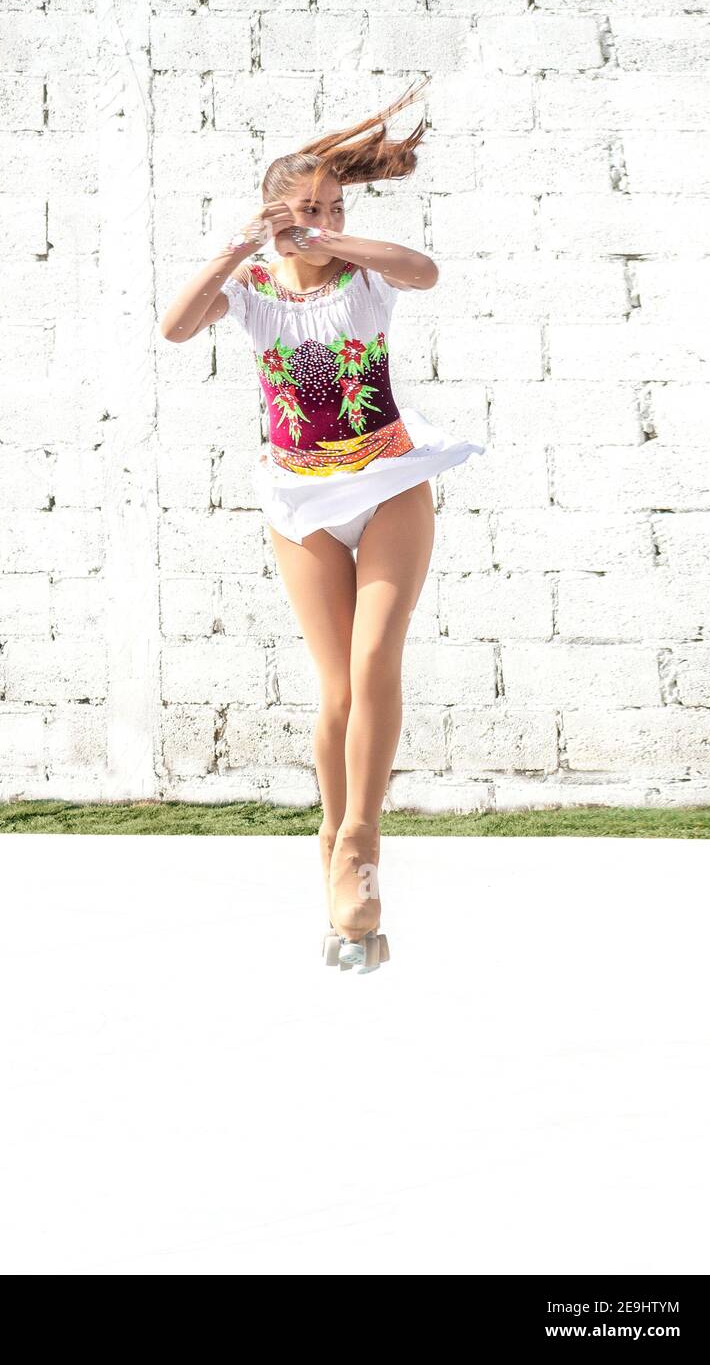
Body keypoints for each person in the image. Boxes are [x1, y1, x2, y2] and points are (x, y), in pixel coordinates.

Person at [159, 78, 484, 973]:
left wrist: (336, 235)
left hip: (387, 479)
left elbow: (426, 270)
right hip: (300, 500)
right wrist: (235, 247)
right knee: (336, 688)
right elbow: (176, 327)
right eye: (308, 208)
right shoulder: (256, 290)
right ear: (272, 212)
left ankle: (361, 843)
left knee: (378, 659)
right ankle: (333, 841)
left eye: (333, 205)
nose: (322, 219)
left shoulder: (365, 275)